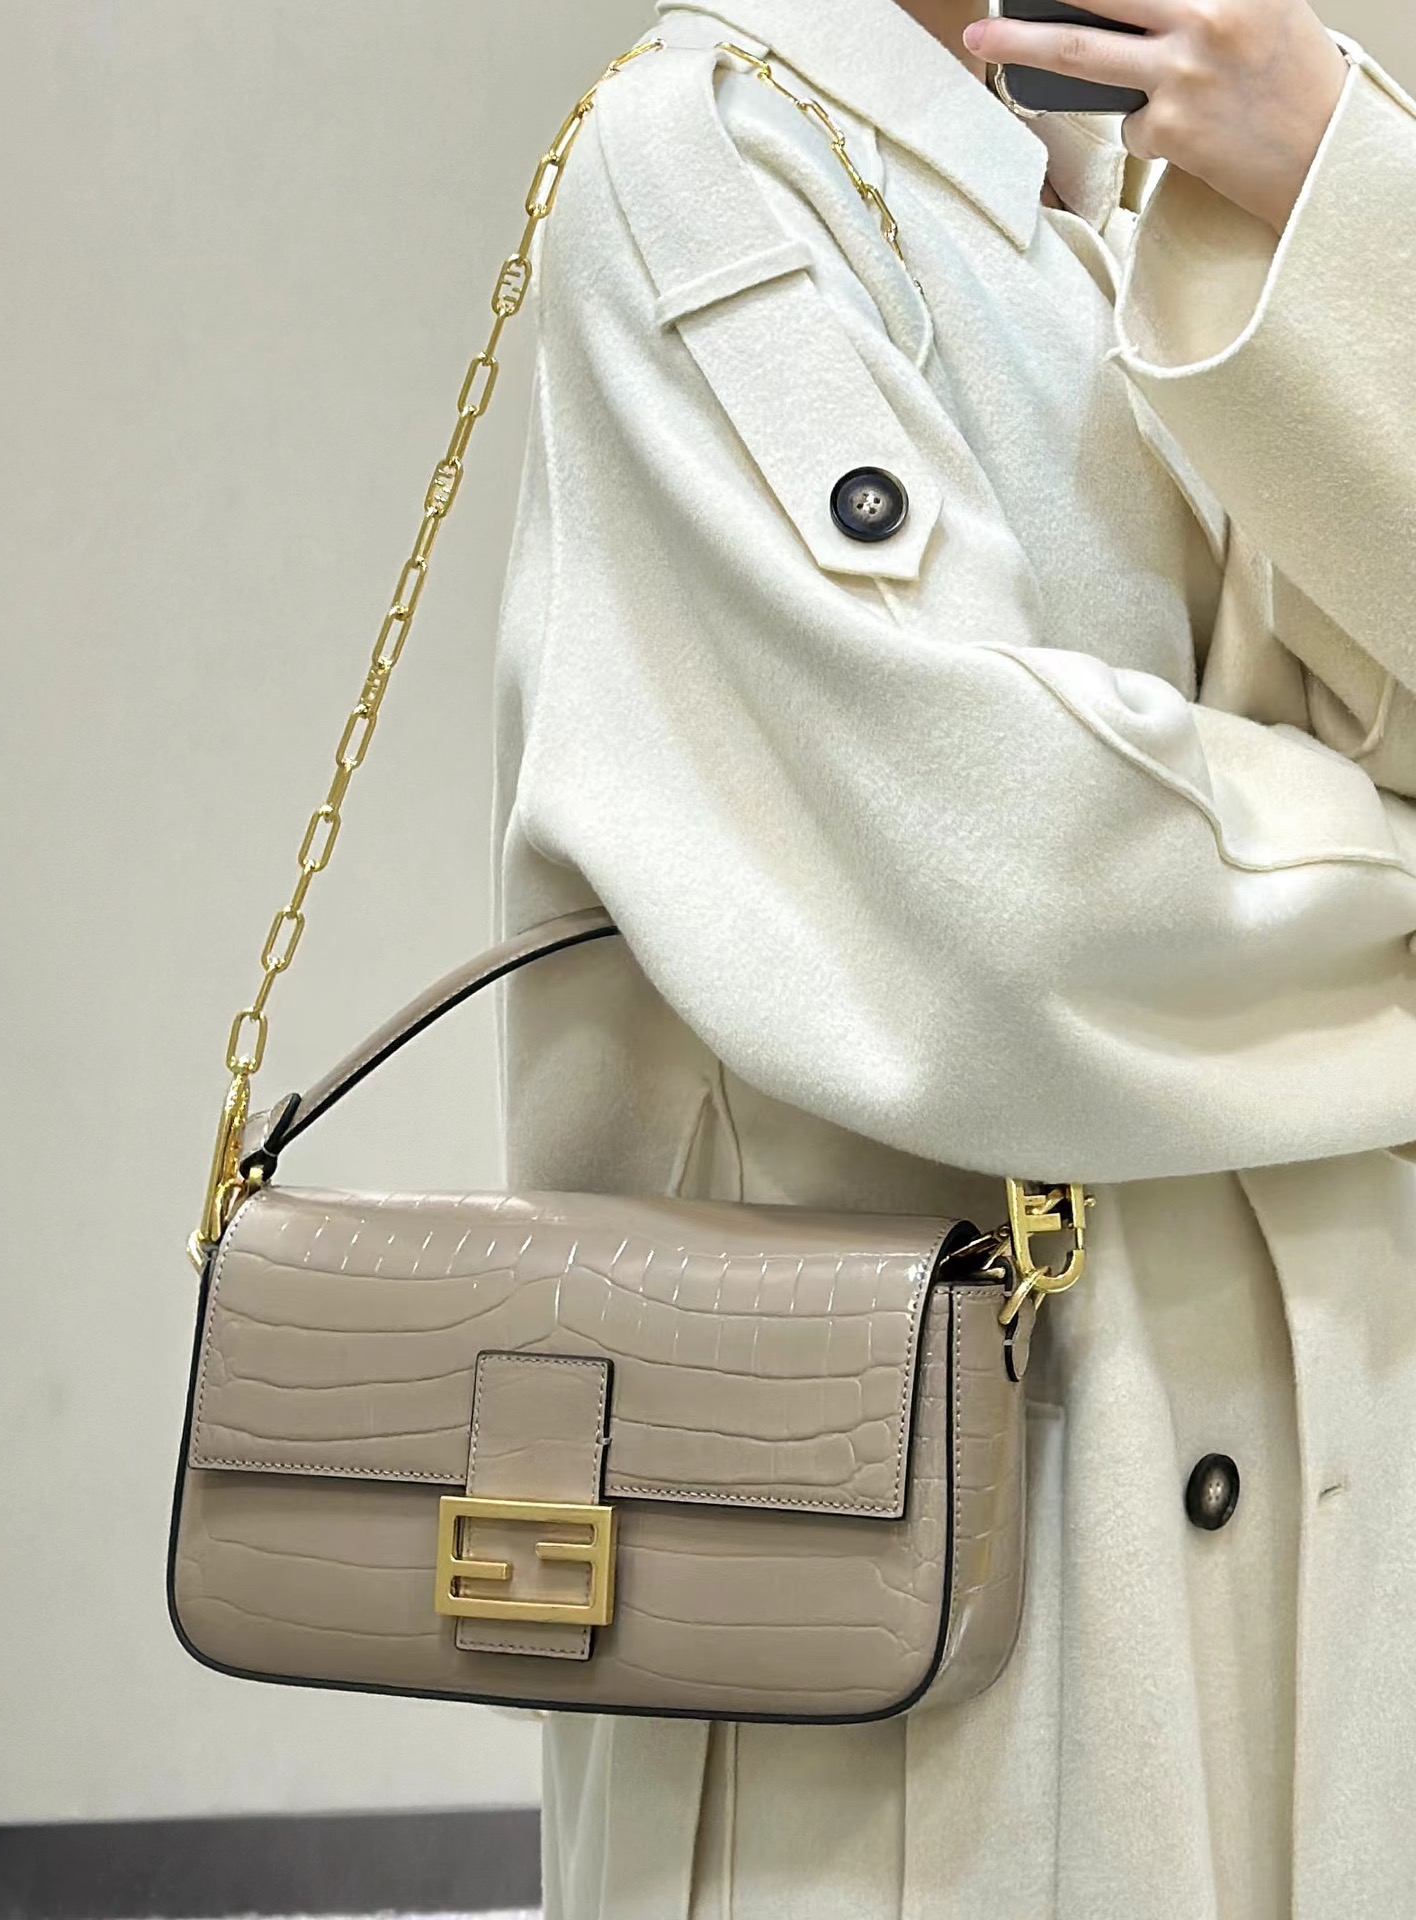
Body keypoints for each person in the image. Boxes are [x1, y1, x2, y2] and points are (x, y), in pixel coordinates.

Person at [487, 0, 1416, 1913]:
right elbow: (1015, 899)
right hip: (946, 1552)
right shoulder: (701, 158)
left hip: (1324, 1492)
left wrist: (1343, 192)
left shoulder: (1164, 169)